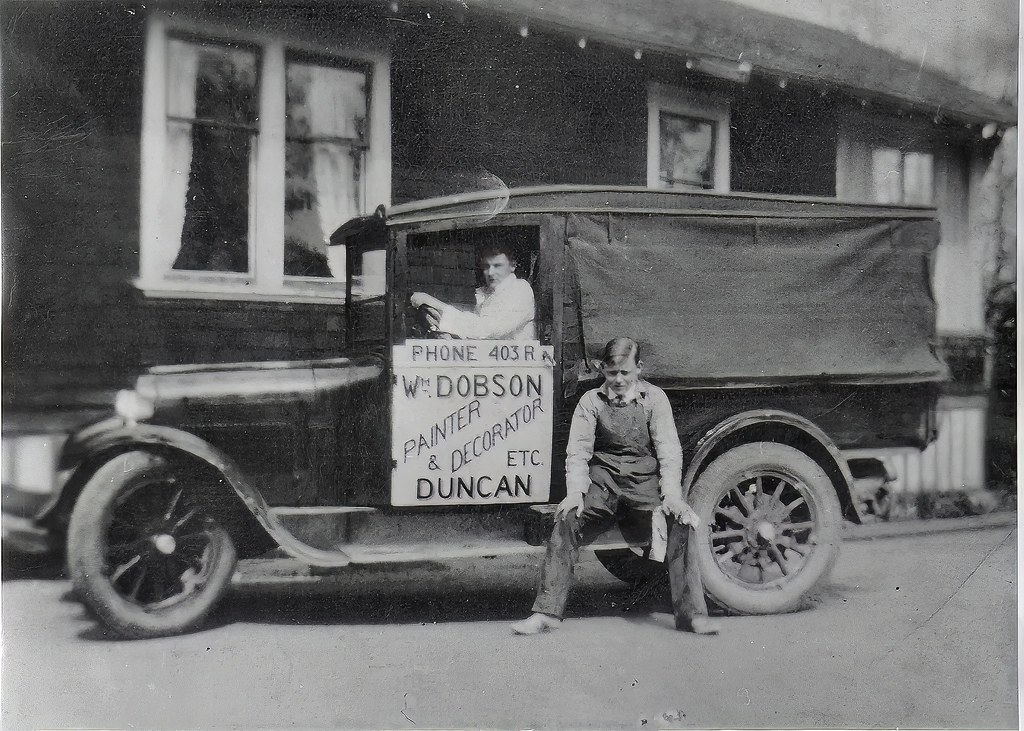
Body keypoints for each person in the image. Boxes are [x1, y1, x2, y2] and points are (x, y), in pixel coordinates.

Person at [511, 337, 720, 635]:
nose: (619, 380)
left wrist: (672, 495)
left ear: (639, 368)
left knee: (681, 523)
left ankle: (692, 615)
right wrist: (575, 493)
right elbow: (578, 451)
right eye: (612, 373)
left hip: (643, 485)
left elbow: (669, 451)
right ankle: (546, 612)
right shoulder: (591, 401)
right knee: (567, 517)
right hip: (603, 484)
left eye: (625, 372)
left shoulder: (654, 399)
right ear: (602, 370)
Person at [409, 243, 535, 340]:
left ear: (513, 266)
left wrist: (435, 304)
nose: (490, 273)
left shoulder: (520, 289)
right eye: (486, 267)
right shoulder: (486, 294)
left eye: (498, 266)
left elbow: (485, 330)